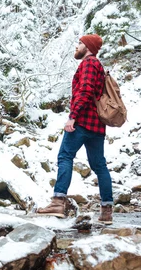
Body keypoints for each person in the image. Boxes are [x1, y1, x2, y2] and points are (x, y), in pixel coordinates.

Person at [37, 34, 113, 224]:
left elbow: (85, 91)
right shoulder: (98, 66)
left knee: (65, 156)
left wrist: (73, 116)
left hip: (83, 122)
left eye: (80, 43)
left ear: (87, 47)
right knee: (99, 165)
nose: (77, 46)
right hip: (97, 126)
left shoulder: (88, 64)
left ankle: (57, 202)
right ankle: (106, 211)